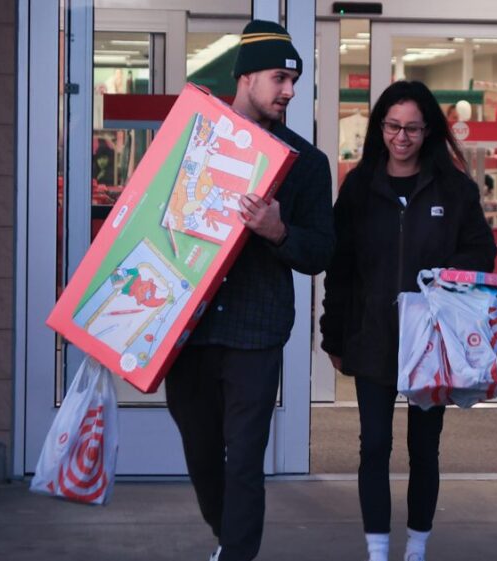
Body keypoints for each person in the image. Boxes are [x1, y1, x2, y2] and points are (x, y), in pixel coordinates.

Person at [163, 19, 335, 561]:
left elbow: (320, 252)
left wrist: (279, 231)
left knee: (244, 460)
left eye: (294, 81)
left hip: (256, 332)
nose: (289, 91)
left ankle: (236, 553)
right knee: (201, 454)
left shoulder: (307, 164)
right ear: (246, 77)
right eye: (280, 78)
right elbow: (149, 216)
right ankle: (227, 538)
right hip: (188, 326)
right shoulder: (193, 140)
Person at [320, 80, 497, 561]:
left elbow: (482, 252)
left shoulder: (454, 190)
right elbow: (340, 268)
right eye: (393, 126)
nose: (401, 137)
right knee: (374, 445)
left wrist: (442, 276)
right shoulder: (359, 187)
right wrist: (333, 336)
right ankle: (378, 550)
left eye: (412, 129)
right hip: (373, 337)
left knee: (424, 448)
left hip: (432, 344)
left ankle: (416, 548)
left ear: (429, 131)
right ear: (380, 128)